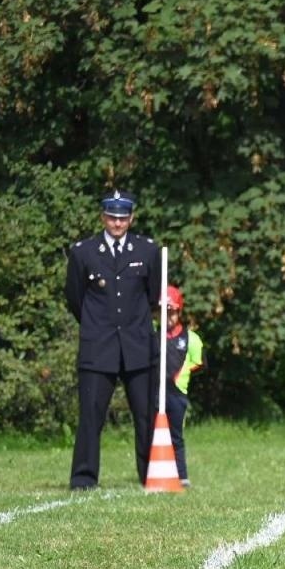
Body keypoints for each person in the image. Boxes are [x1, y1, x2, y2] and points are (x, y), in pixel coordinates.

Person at [64, 190, 162, 489]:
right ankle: (84, 478)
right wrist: (97, 325)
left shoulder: (147, 250)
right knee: (91, 417)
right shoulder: (84, 252)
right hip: (99, 346)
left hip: (138, 346)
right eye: (111, 217)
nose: (117, 223)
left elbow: (153, 295)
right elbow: (74, 298)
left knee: (146, 416)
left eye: (122, 218)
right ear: (102, 217)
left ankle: (151, 475)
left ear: (131, 218)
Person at [158, 285, 204, 487]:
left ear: (179, 311)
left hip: (177, 393)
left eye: (172, 312)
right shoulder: (154, 334)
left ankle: (181, 475)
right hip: (156, 392)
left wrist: (182, 372)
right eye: (164, 312)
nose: (168, 316)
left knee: (175, 435)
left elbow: (199, 362)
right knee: (154, 432)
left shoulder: (190, 338)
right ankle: (155, 472)